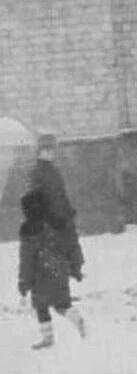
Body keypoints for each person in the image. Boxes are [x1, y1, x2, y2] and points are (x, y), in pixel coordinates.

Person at [17, 189, 86, 349]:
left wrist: (23, 282)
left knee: (41, 306)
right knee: (62, 304)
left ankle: (47, 338)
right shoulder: (58, 223)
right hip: (59, 269)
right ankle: (77, 320)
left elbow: (26, 260)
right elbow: (72, 247)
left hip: (40, 274)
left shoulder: (28, 230)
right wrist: (76, 267)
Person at [28, 134, 82, 280]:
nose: (53, 153)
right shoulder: (39, 172)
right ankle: (59, 283)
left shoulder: (52, 170)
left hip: (60, 217)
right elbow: (38, 197)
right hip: (51, 220)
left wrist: (68, 210)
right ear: (42, 152)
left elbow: (60, 193)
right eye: (50, 150)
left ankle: (70, 273)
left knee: (66, 248)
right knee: (55, 252)